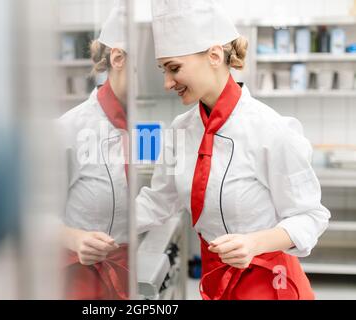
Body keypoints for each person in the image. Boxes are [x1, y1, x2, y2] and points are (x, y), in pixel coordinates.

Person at [135, 0, 330, 300]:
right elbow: (159, 201)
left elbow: (310, 217)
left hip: (268, 283)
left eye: (174, 68)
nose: (167, 82)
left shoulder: (271, 130)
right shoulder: (179, 130)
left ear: (214, 55)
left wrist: (253, 243)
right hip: (214, 280)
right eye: (163, 70)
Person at [56, 1, 129, 300]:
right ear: (118, 57)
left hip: (130, 273)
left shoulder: (147, 126)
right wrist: (76, 238)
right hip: (83, 280)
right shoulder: (68, 129)